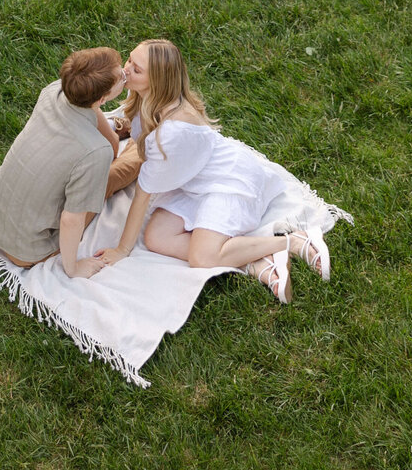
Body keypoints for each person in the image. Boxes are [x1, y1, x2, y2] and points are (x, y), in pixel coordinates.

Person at [99, 39, 333, 303]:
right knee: (156, 237)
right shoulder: (147, 99)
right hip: (194, 181)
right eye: (129, 59)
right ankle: (256, 265)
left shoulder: (171, 133)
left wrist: (122, 249)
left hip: (230, 180)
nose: (126, 69)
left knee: (202, 258)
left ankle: (295, 241)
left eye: (136, 69)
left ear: (159, 81)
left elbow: (143, 192)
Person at [0, 47, 140, 279]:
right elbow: (71, 220)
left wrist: (112, 140)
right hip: (26, 249)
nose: (125, 73)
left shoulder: (55, 90)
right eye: (121, 76)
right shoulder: (95, 152)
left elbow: (95, 116)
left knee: (100, 155)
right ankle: (142, 146)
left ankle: (120, 131)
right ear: (101, 99)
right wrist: (73, 269)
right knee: (111, 177)